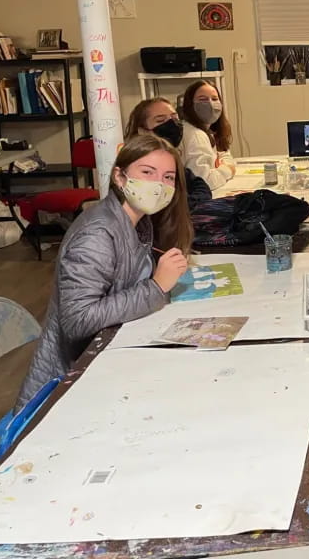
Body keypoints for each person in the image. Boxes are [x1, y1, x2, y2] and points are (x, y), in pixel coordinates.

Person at [17, 135, 194, 408]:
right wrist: (156, 286)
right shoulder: (96, 234)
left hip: (106, 354)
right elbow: (79, 320)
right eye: (147, 172)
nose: (158, 184)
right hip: (68, 381)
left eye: (168, 177)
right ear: (120, 177)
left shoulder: (138, 220)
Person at [125, 97, 212, 210]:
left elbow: (200, 186)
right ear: (143, 131)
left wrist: (189, 202)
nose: (172, 125)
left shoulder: (169, 159)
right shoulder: (137, 167)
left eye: (175, 118)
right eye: (160, 121)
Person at [181, 80, 236, 191]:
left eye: (214, 99)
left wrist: (221, 167)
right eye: (202, 99)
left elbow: (225, 156)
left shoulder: (209, 131)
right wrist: (227, 170)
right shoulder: (196, 135)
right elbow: (204, 182)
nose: (210, 104)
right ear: (190, 104)